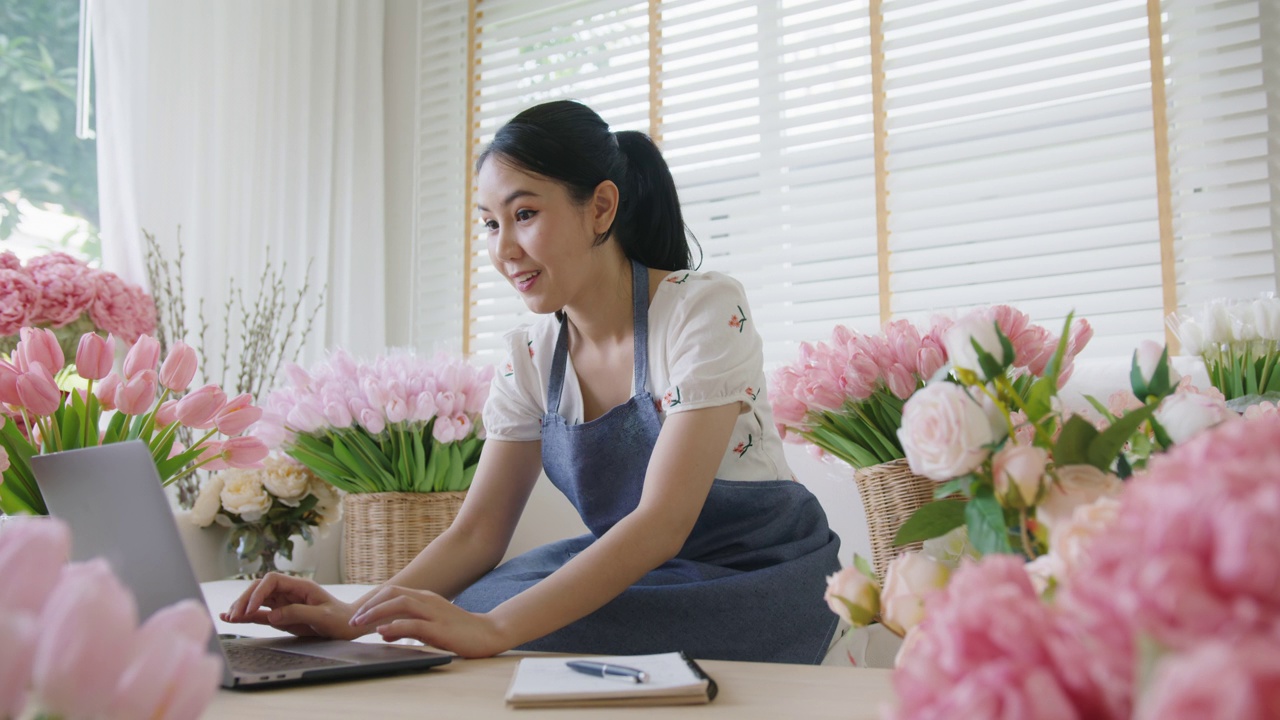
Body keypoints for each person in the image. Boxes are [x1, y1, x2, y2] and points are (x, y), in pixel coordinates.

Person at [223, 100, 841, 664]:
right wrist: (351, 618)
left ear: (601, 207)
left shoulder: (700, 311)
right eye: (490, 224)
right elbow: (476, 533)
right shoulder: (529, 356)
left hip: (752, 572)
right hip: (640, 572)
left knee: (493, 624)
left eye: (524, 214)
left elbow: (660, 522)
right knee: (462, 608)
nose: (504, 249)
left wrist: (492, 631)